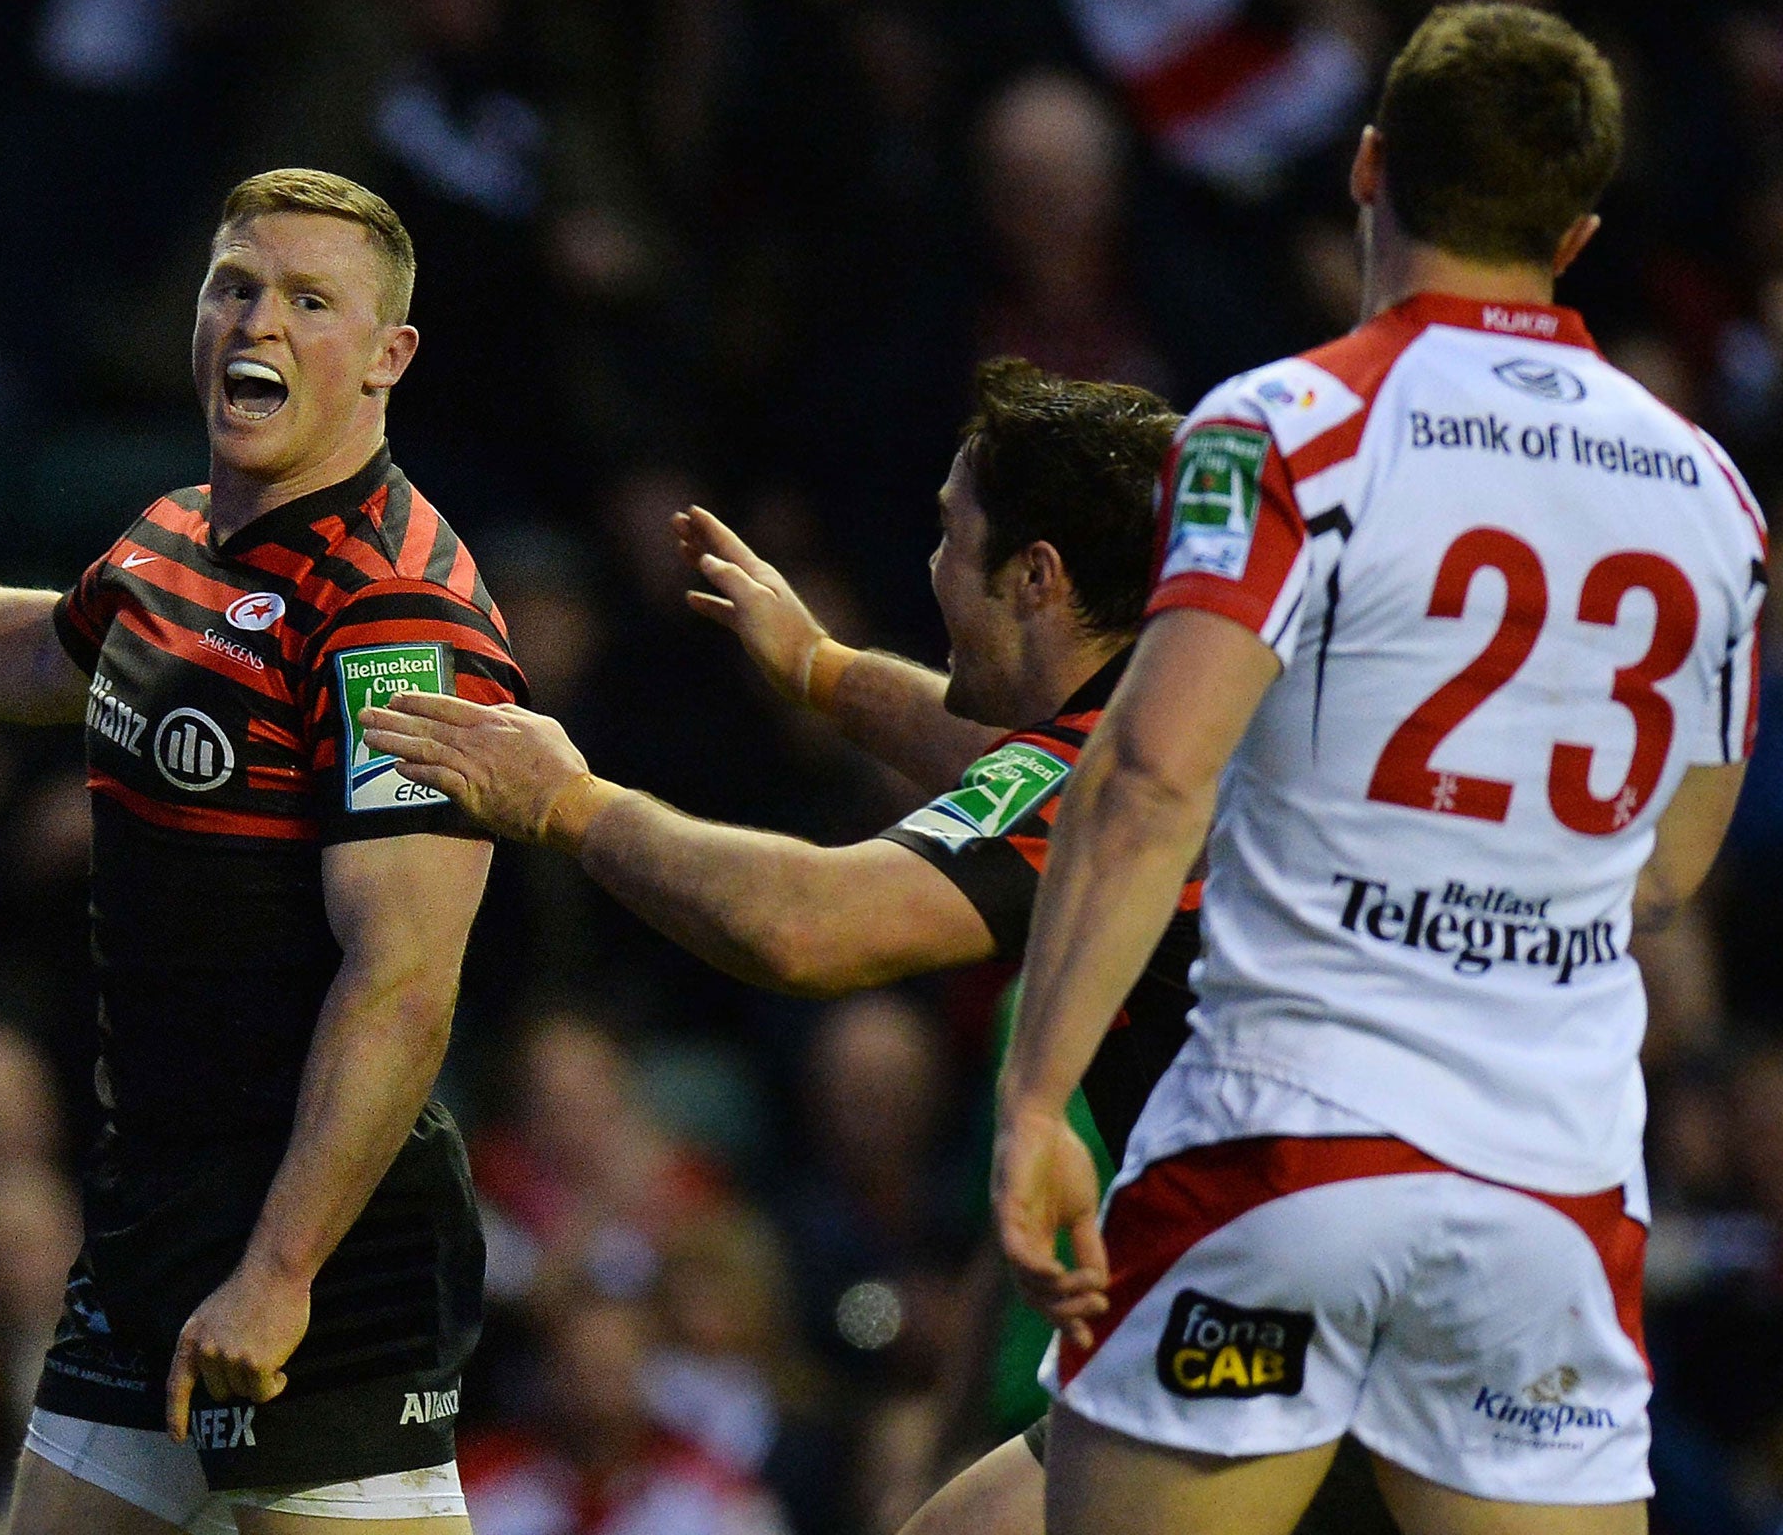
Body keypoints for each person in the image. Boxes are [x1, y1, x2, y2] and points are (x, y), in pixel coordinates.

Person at [357, 360, 1394, 1533]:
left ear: (1035, 577)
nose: (933, 569)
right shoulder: (1215, 732)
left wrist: (568, 804)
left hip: (1280, 1292)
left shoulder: (1093, 771)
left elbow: (805, 925)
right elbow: (1008, 774)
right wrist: (822, 673)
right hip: (1441, 1252)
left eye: (951, 538)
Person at [991, 8, 1769, 1535]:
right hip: (1550, 1202)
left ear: (1367, 167)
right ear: (1579, 227)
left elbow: (1150, 778)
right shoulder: (1711, 491)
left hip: (1286, 1167)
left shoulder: (1286, 427)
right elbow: (1672, 862)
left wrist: (1034, 1106)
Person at [0, 168, 526, 1534]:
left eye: (308, 300)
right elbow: (35, 653)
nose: (256, 323)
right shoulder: (171, 542)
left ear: (387, 359)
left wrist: (280, 1269)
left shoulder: (399, 615)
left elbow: (402, 980)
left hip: (321, 1240)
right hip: (153, 1209)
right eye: (235, 285)